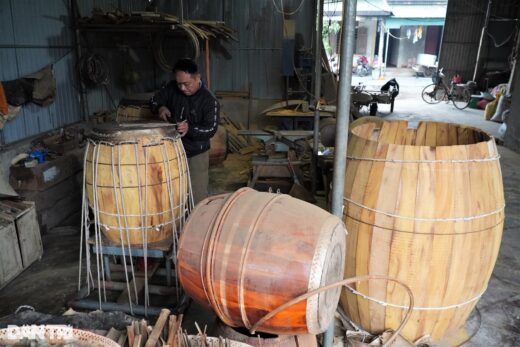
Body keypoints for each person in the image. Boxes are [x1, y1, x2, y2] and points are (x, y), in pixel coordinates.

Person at [151, 58, 219, 205]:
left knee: (197, 196)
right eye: (179, 83)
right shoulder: (171, 88)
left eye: (186, 84)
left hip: (196, 153)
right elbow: (154, 100)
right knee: (171, 194)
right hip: (171, 150)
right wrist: (160, 107)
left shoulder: (209, 100)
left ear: (197, 78)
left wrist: (190, 128)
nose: (182, 88)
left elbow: (211, 129)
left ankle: (196, 224)